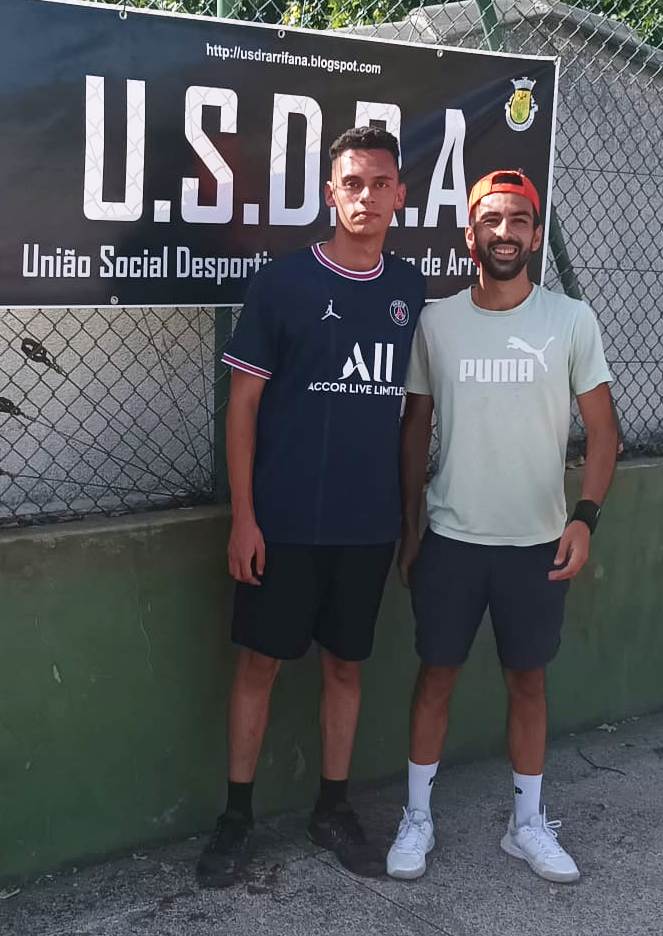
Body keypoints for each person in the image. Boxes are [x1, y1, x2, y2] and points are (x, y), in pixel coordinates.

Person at [197, 126, 427, 887]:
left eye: (380, 183)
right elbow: (242, 407)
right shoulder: (283, 283)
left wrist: (408, 521)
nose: (366, 197)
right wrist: (244, 517)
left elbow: (414, 415)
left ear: (401, 194)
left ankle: (331, 809)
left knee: (345, 666)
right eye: (351, 183)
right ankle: (236, 818)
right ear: (330, 194)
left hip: (366, 527)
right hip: (282, 524)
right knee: (258, 664)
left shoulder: (408, 291)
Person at [386, 170, 617, 884]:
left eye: (518, 220)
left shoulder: (570, 320)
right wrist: (410, 525)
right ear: (470, 236)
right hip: (452, 539)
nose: (505, 232)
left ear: (536, 236)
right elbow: (415, 426)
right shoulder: (437, 322)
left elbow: (603, 431)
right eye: (491, 220)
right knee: (436, 677)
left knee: (528, 682)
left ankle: (526, 824)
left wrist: (584, 518)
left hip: (537, 543)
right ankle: (416, 817)